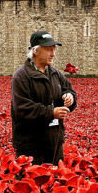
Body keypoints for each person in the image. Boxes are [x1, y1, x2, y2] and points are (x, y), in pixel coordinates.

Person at [11, 30, 77, 165]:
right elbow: (23, 108)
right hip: (30, 146)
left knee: (57, 182)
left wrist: (70, 97)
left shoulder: (56, 74)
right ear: (36, 51)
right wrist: (51, 112)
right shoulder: (21, 77)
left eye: (54, 50)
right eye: (49, 50)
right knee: (31, 183)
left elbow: (69, 90)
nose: (53, 54)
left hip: (54, 144)